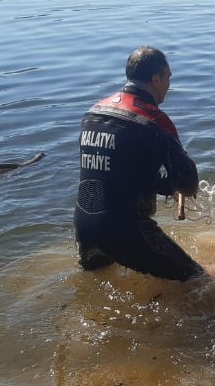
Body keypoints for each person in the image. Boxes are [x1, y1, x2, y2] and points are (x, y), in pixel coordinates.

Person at [73, 46, 204, 281]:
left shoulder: (93, 112)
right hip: (126, 230)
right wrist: (177, 186)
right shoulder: (153, 120)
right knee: (196, 279)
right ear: (156, 79)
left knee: (95, 284)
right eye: (168, 78)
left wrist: (164, 186)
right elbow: (189, 182)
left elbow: (120, 175)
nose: (168, 87)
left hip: (85, 226)